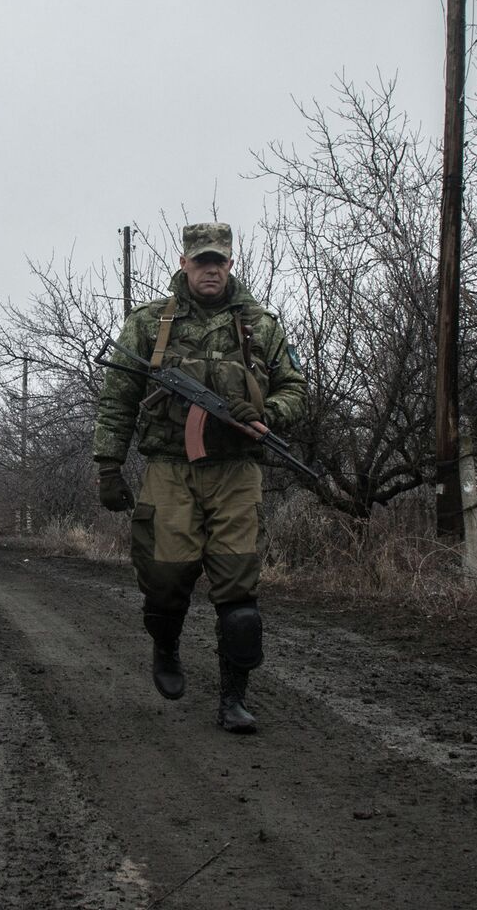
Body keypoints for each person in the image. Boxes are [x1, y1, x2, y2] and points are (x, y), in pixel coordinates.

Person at [93, 222, 306, 733]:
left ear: (231, 265)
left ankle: (233, 699)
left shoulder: (260, 325)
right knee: (165, 578)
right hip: (170, 468)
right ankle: (165, 646)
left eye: (220, 262)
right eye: (201, 261)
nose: (211, 270)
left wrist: (267, 414)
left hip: (235, 471)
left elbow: (296, 389)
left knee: (239, 592)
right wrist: (108, 465)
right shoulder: (149, 323)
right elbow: (118, 399)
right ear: (185, 263)